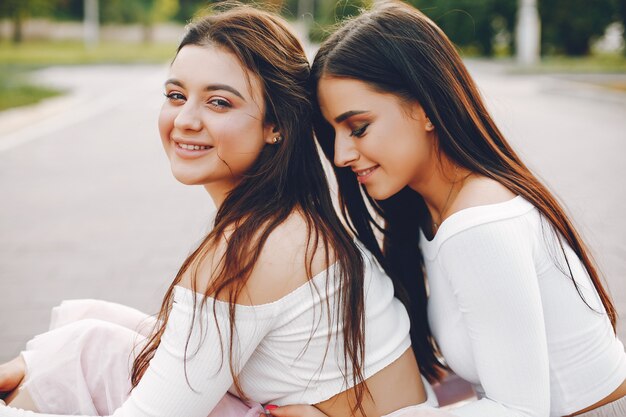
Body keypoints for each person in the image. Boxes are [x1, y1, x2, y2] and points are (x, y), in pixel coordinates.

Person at [0, 5, 451, 417]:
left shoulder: (253, 250)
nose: (185, 120)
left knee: (78, 362)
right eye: (176, 95)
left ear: (277, 125)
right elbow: (180, 345)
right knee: (87, 346)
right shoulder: (292, 221)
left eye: (219, 102)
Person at [266, 1, 626, 416]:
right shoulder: (430, 214)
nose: (342, 154)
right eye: (332, 133)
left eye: (358, 127)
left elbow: (518, 410)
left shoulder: (478, 223)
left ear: (424, 108)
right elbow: (472, 387)